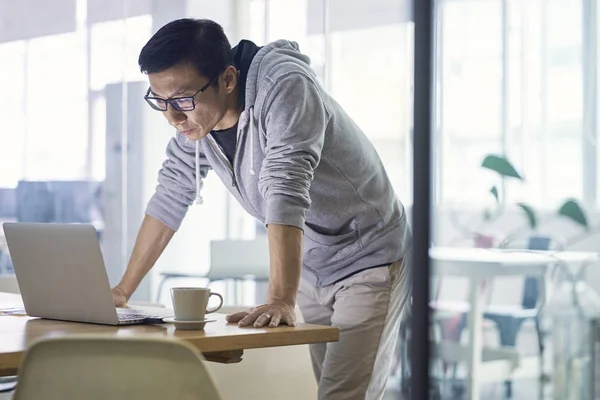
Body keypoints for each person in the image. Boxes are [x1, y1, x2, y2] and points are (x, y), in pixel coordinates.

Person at [111, 18, 413, 400]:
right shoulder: (196, 122)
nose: (172, 117)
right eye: (161, 101)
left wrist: (280, 298)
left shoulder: (284, 87)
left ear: (228, 79)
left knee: (344, 395)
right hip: (313, 264)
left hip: (368, 255)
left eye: (183, 100)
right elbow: (172, 192)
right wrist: (122, 290)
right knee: (332, 389)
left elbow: (286, 188)